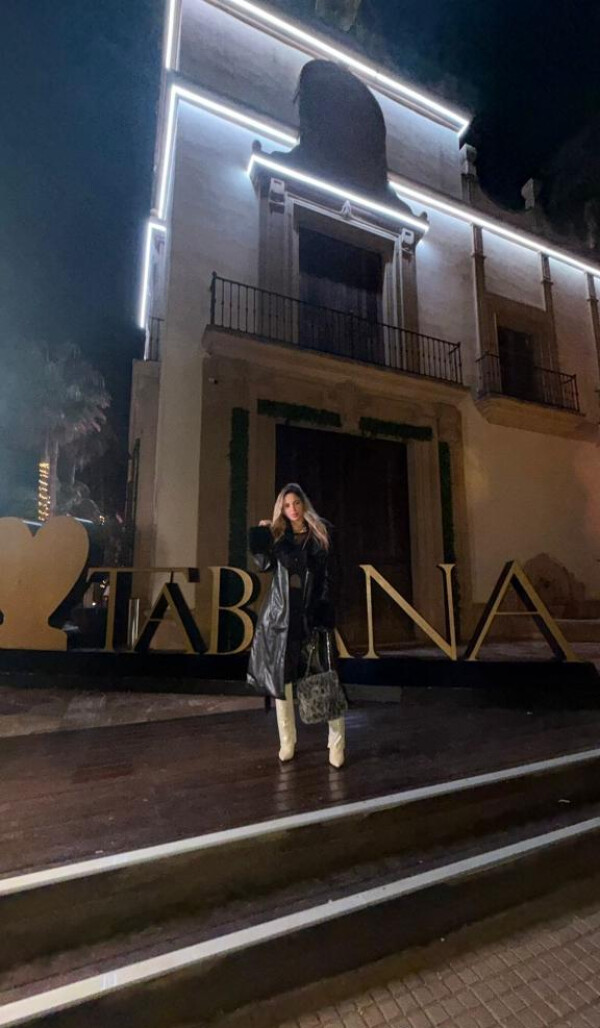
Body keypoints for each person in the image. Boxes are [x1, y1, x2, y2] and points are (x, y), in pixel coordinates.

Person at [247, 483, 345, 768]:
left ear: (304, 504)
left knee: (327, 679)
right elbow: (263, 566)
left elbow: (331, 575)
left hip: (315, 616)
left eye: (296, 503)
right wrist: (261, 537)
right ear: (281, 508)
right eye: (287, 505)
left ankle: (337, 744)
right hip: (282, 618)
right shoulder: (279, 537)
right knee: (284, 683)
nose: (293, 509)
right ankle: (287, 741)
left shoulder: (320, 533)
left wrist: (325, 609)